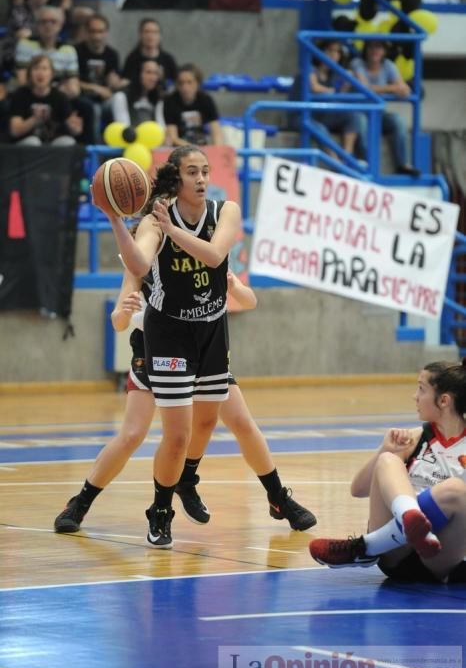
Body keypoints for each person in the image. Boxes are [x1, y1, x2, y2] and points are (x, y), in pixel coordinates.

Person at [53, 261, 316, 536]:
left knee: (240, 422)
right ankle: (80, 502)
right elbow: (119, 320)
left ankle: (275, 497)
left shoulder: (201, 251)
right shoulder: (141, 262)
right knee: (132, 434)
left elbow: (248, 300)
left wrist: (234, 286)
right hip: (154, 349)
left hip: (200, 350)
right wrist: (124, 312)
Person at [87, 144, 239, 550]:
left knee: (207, 426)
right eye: (193, 172)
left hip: (211, 330)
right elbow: (137, 265)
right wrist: (115, 219)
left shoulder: (226, 211)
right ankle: (160, 512)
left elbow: (214, 255)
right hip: (168, 333)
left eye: (206, 171)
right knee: (175, 435)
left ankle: (187, 480)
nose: (203, 179)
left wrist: (173, 232)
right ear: (176, 178)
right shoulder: (156, 220)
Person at [310, 360, 466, 584]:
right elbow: (358, 489)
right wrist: (386, 449)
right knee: (386, 460)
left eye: (421, 389)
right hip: (396, 556)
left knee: (456, 490)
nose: (415, 396)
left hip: (441, 557)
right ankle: (409, 518)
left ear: (443, 400)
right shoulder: (414, 439)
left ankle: (368, 546)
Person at [15, 5, 95, 144]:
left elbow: (74, 90)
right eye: (44, 21)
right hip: (30, 95)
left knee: (87, 107)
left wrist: (51, 91)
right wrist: (53, 86)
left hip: (59, 99)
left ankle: (87, 154)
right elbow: (23, 82)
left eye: (53, 22)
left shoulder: (68, 50)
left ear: (61, 25)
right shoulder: (25, 45)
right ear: (37, 24)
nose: (48, 25)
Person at [350, 40, 420, 176]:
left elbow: (405, 90)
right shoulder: (357, 63)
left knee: (397, 121)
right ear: (366, 49)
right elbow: (364, 88)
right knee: (361, 122)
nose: (375, 51)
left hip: (378, 113)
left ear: (384, 51)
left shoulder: (388, 65)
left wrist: (392, 88)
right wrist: (391, 88)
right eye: (371, 47)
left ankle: (402, 163)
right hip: (358, 111)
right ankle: (366, 163)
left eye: (379, 47)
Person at [288, 40, 366, 160]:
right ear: (321, 52)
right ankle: (336, 163)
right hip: (300, 115)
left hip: (323, 114)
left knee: (354, 116)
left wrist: (347, 83)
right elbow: (314, 87)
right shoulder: (310, 69)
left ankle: (347, 157)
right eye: (330, 50)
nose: (333, 54)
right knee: (321, 129)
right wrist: (331, 91)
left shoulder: (335, 74)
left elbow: (343, 94)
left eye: (337, 52)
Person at [9, 53, 81, 144]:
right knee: (33, 142)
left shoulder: (60, 97)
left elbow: (75, 131)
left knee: (68, 142)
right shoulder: (20, 95)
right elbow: (14, 131)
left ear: (52, 74)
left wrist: (74, 127)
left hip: (52, 142)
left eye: (44, 69)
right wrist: (34, 119)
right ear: (30, 74)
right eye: (36, 69)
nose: (40, 73)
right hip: (27, 143)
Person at [76, 14, 127, 137]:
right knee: (94, 109)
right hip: (82, 98)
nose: (97, 36)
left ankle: (124, 137)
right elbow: (71, 81)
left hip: (105, 99)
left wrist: (116, 84)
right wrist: (95, 88)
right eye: (93, 31)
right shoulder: (76, 51)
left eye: (100, 31)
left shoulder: (112, 54)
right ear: (86, 33)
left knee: (119, 98)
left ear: (106, 33)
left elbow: (114, 80)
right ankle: (97, 150)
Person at [163, 63, 223, 147]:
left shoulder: (206, 99)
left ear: (197, 83)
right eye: (181, 83)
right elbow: (173, 137)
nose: (185, 87)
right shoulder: (170, 101)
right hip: (179, 148)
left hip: (202, 143)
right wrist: (195, 150)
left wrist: (217, 148)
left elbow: (216, 130)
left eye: (189, 82)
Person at [122, 18, 177, 95]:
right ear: (140, 35)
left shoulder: (168, 59)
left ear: (160, 36)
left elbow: (176, 84)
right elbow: (126, 83)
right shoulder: (132, 59)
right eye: (147, 32)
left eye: (155, 32)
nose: (150, 36)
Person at [111, 59, 165, 131]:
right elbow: (123, 129)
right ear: (138, 74)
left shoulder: (157, 99)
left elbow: (161, 127)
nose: (153, 78)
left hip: (153, 139)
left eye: (156, 73)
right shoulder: (121, 96)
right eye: (148, 72)